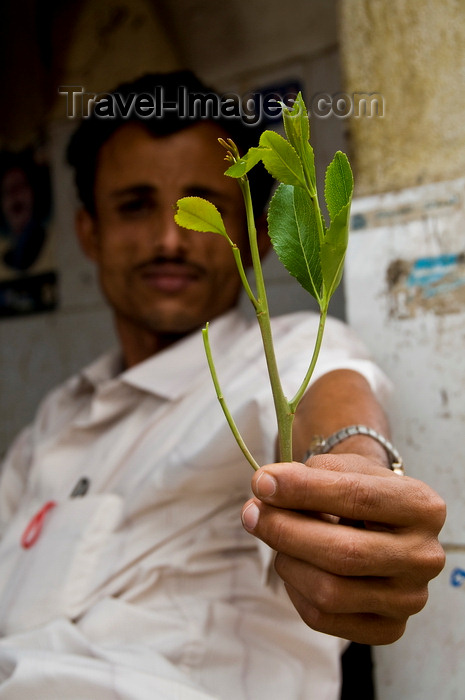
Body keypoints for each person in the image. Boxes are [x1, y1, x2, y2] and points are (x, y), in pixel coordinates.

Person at [0, 71, 445, 699]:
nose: (170, 239)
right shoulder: (57, 416)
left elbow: (332, 395)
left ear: (260, 237)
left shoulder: (284, 346)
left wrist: (354, 473)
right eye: (135, 206)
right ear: (88, 233)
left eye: (203, 206)